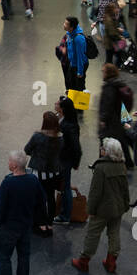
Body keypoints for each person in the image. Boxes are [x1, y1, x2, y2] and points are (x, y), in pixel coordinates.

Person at [0, 150, 46, 275]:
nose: (8, 163)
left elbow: (1, 206)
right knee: (23, 257)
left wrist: (0, 220)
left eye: (9, 161)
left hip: (9, 227)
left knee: (4, 258)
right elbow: (41, 200)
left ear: (14, 165)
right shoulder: (33, 181)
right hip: (25, 226)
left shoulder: (8, 183)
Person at [71, 137, 130, 273]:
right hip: (118, 207)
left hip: (102, 210)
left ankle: (83, 261)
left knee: (93, 234)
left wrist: (90, 209)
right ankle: (111, 262)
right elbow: (125, 188)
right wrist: (126, 204)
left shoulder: (101, 167)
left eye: (103, 148)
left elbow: (95, 192)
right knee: (114, 233)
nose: (101, 149)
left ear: (107, 152)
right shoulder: (122, 165)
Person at [24, 111, 63, 235]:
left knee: (38, 199)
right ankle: (49, 224)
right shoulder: (60, 138)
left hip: (38, 172)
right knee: (50, 197)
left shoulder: (38, 136)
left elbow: (27, 149)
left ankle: (40, 224)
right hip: (53, 173)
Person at [97, 62, 134, 167]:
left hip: (110, 120)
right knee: (121, 139)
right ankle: (129, 161)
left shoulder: (109, 87)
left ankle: (101, 163)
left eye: (103, 71)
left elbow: (107, 104)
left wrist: (103, 119)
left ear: (108, 73)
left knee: (104, 141)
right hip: (118, 117)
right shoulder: (118, 84)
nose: (102, 73)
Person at [53, 96, 83, 225]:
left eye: (58, 104)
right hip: (63, 159)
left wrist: (75, 162)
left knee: (65, 187)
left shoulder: (68, 126)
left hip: (65, 160)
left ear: (63, 109)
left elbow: (76, 147)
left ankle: (65, 216)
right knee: (64, 185)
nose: (55, 104)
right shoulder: (64, 120)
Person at [56, 16, 88, 104]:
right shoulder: (69, 33)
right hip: (72, 63)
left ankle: (81, 106)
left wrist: (80, 72)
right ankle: (73, 102)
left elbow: (80, 57)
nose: (64, 24)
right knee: (71, 83)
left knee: (80, 85)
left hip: (79, 64)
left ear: (72, 27)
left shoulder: (78, 39)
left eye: (66, 24)